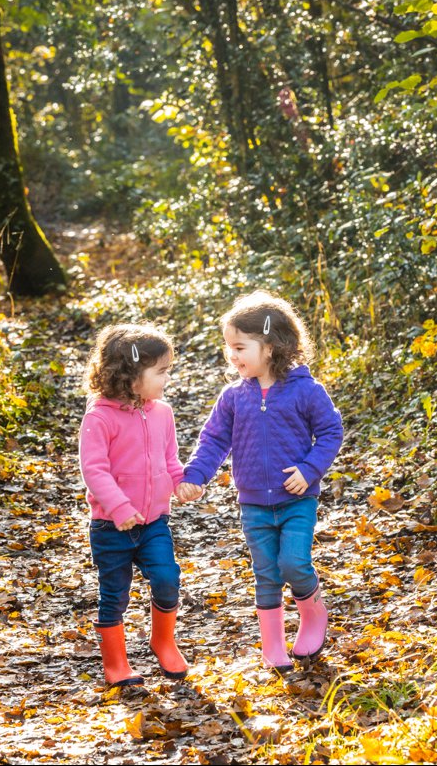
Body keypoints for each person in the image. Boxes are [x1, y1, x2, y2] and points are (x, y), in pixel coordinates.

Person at [176, 291, 343, 672]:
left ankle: (314, 616)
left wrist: (309, 469)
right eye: (228, 348)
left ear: (270, 346)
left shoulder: (305, 390)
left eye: (239, 347)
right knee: (266, 572)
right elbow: (214, 440)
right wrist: (196, 476)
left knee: (293, 563)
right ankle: (273, 647)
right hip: (252, 501)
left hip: (296, 497)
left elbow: (331, 432)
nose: (232, 356)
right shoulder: (234, 397)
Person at [79, 324, 189, 686]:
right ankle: (116, 663)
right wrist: (120, 508)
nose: (166, 379)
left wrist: (181, 483)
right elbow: (94, 470)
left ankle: (163, 641)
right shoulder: (99, 417)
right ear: (129, 376)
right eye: (160, 372)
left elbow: (170, 458)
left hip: (154, 521)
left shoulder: (162, 413)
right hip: (112, 527)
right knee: (114, 594)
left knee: (167, 577)